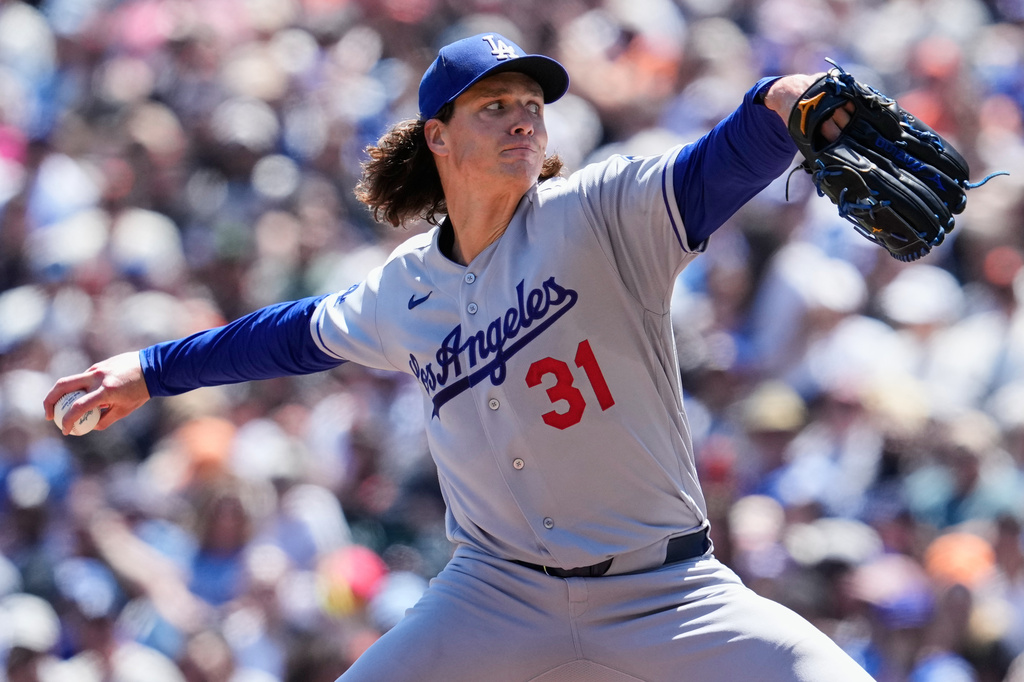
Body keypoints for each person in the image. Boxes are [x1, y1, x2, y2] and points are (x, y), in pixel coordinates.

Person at [45, 32, 872, 681]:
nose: (522, 117)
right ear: (437, 136)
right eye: (495, 105)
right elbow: (288, 336)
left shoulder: (601, 212)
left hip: (665, 591)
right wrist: (153, 370)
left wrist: (779, 103)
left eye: (530, 104)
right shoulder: (403, 288)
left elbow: (715, 168)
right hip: (496, 595)